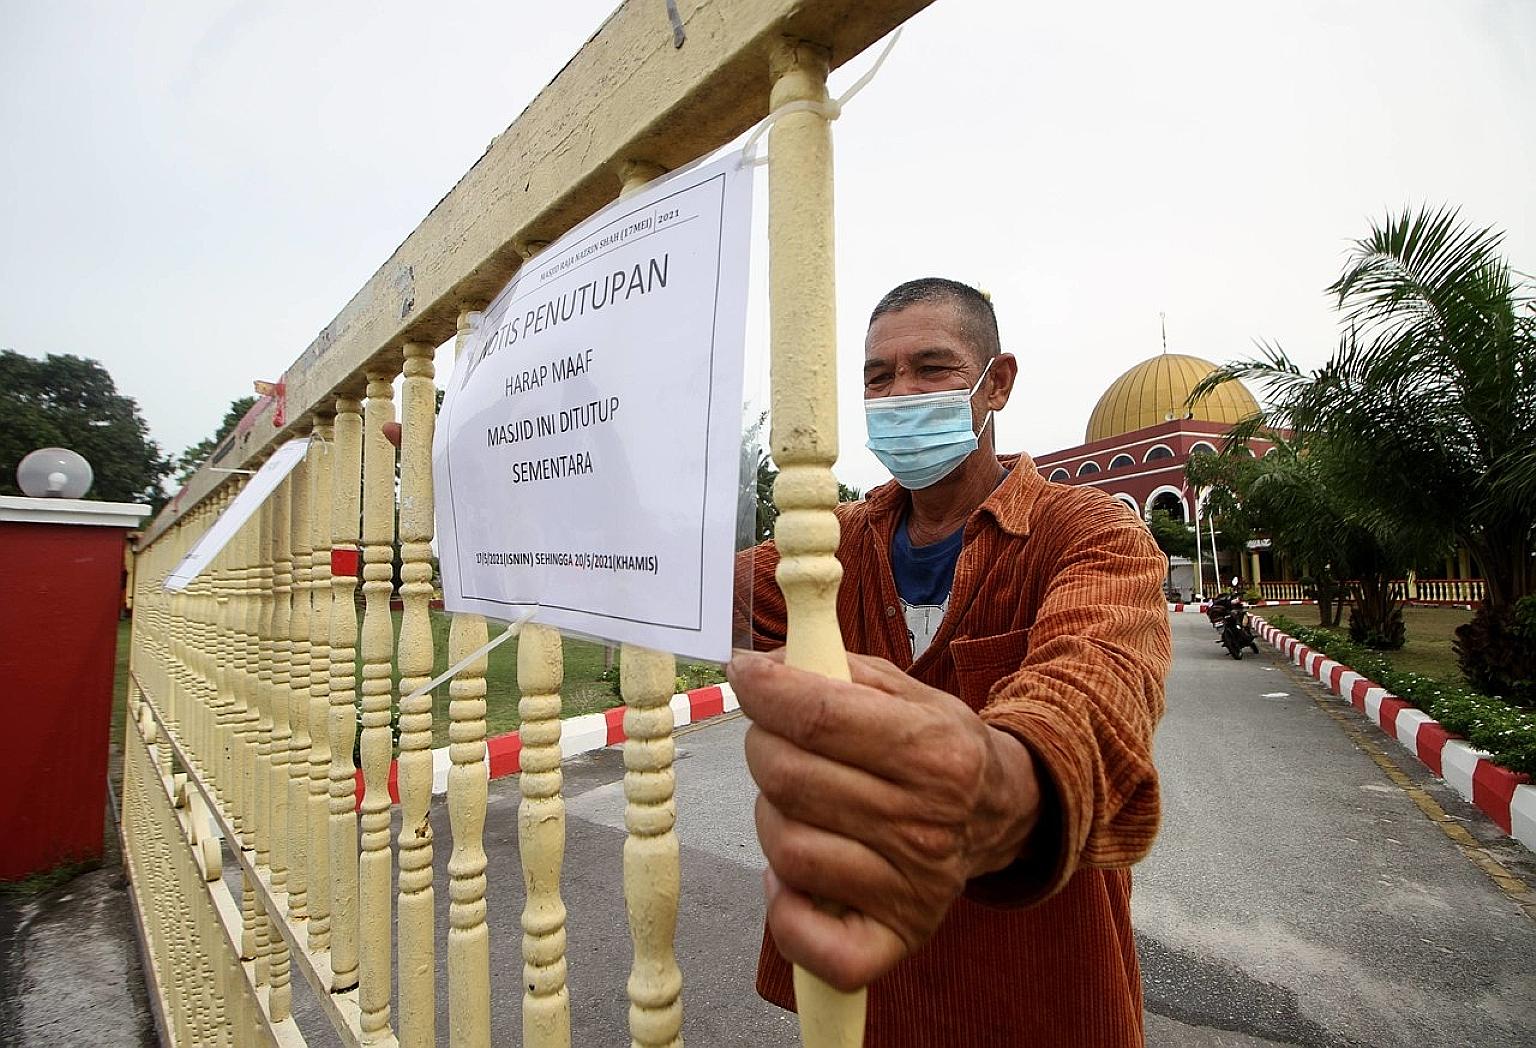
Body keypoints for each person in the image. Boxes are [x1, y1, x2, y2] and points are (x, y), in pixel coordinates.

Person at [729, 277, 1172, 1047]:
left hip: (1041, 983)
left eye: (930, 369)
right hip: (870, 995)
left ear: (994, 383)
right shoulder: (826, 545)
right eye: (877, 377)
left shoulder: (1090, 531)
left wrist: (1001, 780)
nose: (899, 394)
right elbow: (689, 591)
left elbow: (1099, 681)